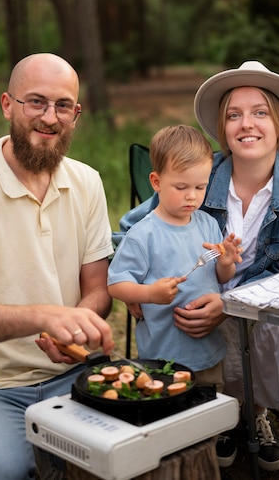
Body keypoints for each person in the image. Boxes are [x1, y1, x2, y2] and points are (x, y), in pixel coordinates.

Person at [119, 61, 279, 472]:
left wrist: (229, 302)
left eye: (259, 112)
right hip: (195, 294)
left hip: (261, 297)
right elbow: (130, 227)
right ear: (223, 126)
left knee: (265, 324)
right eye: (234, 114)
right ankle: (218, 415)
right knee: (190, 324)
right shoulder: (201, 173)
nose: (245, 124)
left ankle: (256, 412)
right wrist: (134, 286)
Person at [0, 53, 115, 480]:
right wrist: (45, 316)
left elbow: (98, 288)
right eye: (35, 102)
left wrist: (77, 325)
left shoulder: (88, 181)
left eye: (63, 105)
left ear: (76, 114)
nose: (49, 117)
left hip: (74, 371)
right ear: (8, 105)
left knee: (143, 441)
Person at [108, 125, 242, 389]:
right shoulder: (143, 234)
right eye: (181, 187)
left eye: (200, 187)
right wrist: (149, 294)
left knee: (209, 404)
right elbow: (115, 285)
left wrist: (226, 263)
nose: (192, 196)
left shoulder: (207, 224)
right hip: (164, 353)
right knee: (170, 410)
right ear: (156, 182)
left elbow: (218, 276)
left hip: (208, 348)